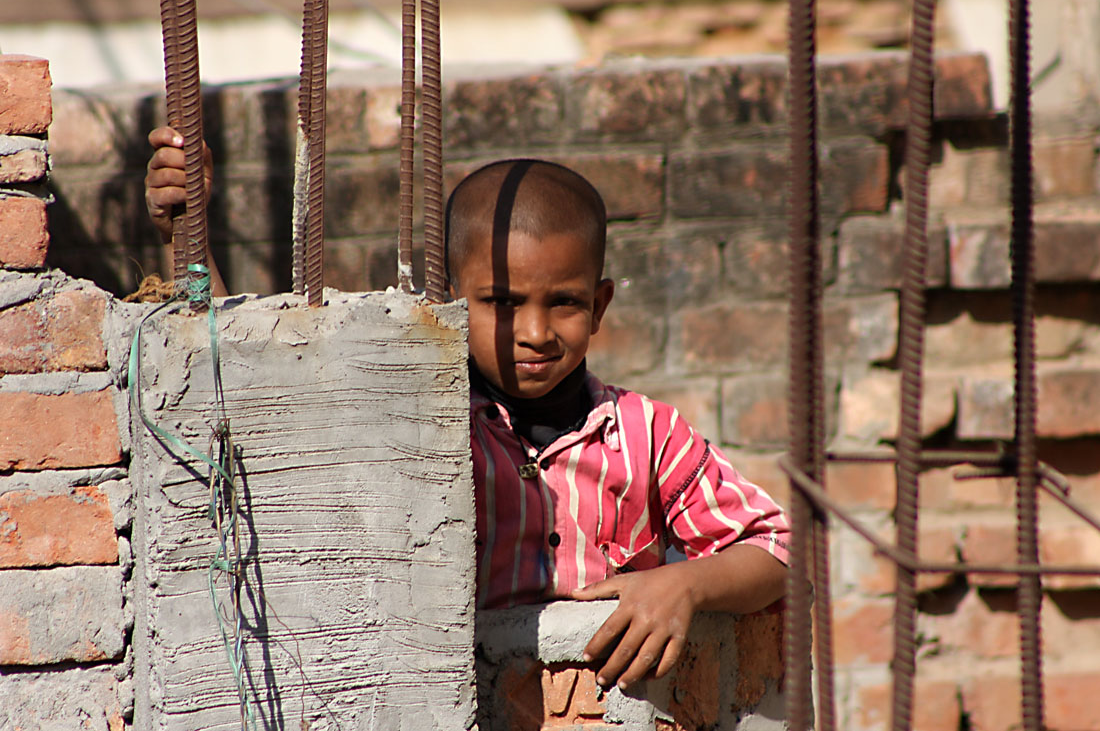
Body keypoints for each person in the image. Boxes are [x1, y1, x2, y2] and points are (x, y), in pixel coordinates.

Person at [146, 133, 790, 693]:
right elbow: (248, 395)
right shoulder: (421, 423)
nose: (534, 332)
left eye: (563, 302)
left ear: (599, 305)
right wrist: (190, 231)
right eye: (502, 303)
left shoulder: (650, 434)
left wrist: (685, 586)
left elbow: (776, 547)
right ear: (454, 302)